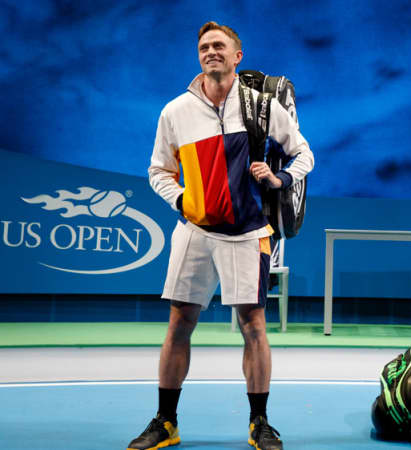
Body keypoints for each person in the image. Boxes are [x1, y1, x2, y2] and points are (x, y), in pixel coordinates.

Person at [127, 21, 313, 450]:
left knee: (253, 326)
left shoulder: (262, 108)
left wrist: (281, 177)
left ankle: (260, 423)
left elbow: (304, 152)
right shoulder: (175, 111)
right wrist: (181, 200)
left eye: (220, 46)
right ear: (199, 56)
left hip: (247, 233)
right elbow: (158, 170)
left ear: (236, 56)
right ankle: (166, 422)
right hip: (193, 231)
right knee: (179, 324)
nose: (211, 52)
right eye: (205, 47)